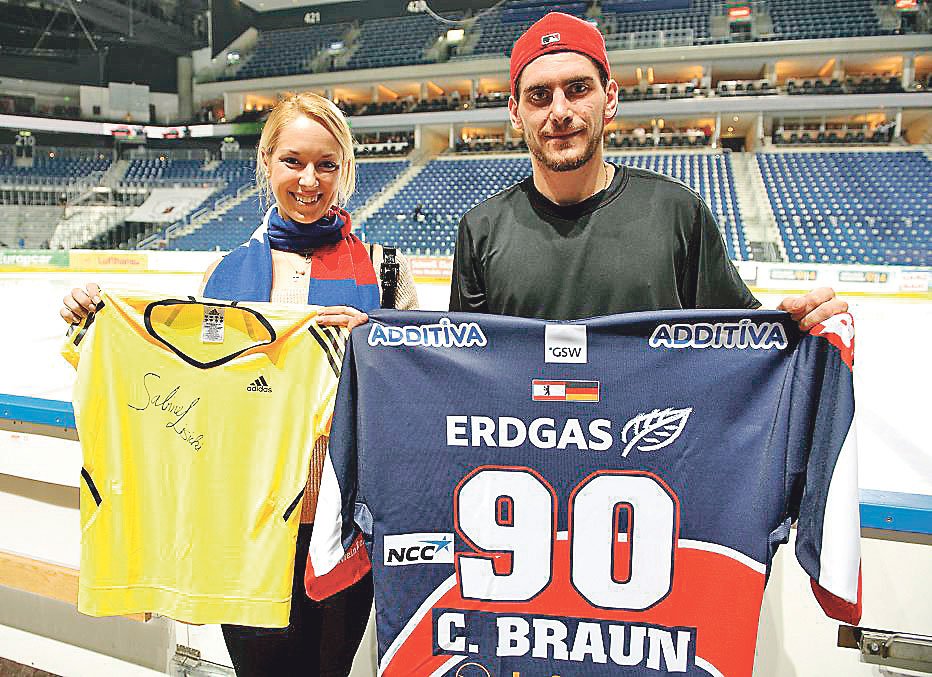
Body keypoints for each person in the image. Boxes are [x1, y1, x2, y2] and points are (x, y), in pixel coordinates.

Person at [59, 91, 417, 676]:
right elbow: (194, 391)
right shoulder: (222, 276)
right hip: (242, 524)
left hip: (344, 521)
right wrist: (91, 317)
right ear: (267, 161)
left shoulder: (385, 271)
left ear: (345, 170)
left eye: (327, 164)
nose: (309, 180)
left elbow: (414, 387)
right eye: (293, 161)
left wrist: (378, 339)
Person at [449, 12, 847, 329]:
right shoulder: (481, 229)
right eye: (539, 96)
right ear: (516, 113)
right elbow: (469, 370)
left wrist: (796, 329)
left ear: (609, 99)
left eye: (578, 89)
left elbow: (738, 347)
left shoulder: (677, 212)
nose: (559, 112)